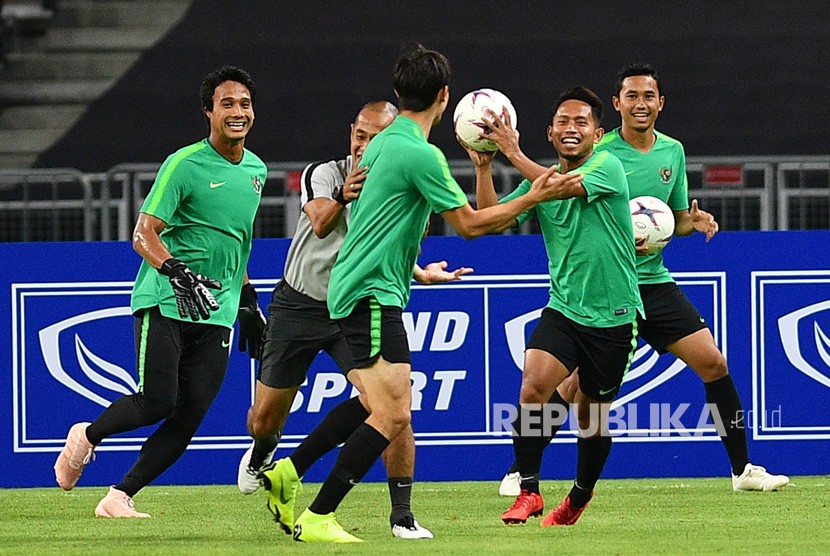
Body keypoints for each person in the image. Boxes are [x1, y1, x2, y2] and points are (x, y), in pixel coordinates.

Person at [262, 43, 581, 543]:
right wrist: (534, 194)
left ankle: (291, 471)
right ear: (445, 97)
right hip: (370, 294)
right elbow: (472, 226)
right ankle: (320, 514)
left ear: (398, 93)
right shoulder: (419, 153)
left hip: (365, 287)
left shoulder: (386, 143)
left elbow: (379, 225)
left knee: (388, 404)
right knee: (392, 413)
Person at [491, 63, 789, 495]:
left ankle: (742, 470)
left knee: (714, 363)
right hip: (605, 287)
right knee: (571, 388)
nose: (640, 104)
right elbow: (557, 190)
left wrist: (693, 220)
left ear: (660, 103)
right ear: (616, 105)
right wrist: (511, 155)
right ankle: (522, 470)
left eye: (648, 96)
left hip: (652, 281)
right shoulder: (601, 153)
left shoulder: (673, 152)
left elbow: (671, 219)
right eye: (631, 96)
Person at [239, 100, 469, 540]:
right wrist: (347, 191)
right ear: (351, 132)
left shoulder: (395, 174)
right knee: (263, 420)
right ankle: (268, 456)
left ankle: (401, 514)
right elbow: (322, 223)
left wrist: (420, 272)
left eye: (376, 138)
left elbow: (386, 242)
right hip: (301, 303)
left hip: (354, 305)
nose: (365, 145)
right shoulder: (323, 173)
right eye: (360, 135)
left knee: (390, 406)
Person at [52, 66, 268, 517]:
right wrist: (175, 271)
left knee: (188, 419)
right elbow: (143, 233)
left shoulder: (256, 170)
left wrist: (247, 301)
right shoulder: (184, 164)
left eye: (244, 104)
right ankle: (86, 437)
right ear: (208, 111)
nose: (237, 112)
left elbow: (237, 241)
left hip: (217, 309)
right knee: (157, 401)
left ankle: (119, 496)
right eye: (227, 103)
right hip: (168, 300)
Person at [470, 86, 642, 526]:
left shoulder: (610, 167)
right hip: (564, 308)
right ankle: (528, 491)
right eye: (563, 122)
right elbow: (492, 220)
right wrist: (486, 168)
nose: (571, 129)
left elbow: (561, 188)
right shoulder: (539, 182)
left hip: (615, 315)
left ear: (598, 134)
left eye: (581, 122)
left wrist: (512, 149)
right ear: (550, 133)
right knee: (532, 388)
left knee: (591, 417)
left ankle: (579, 498)